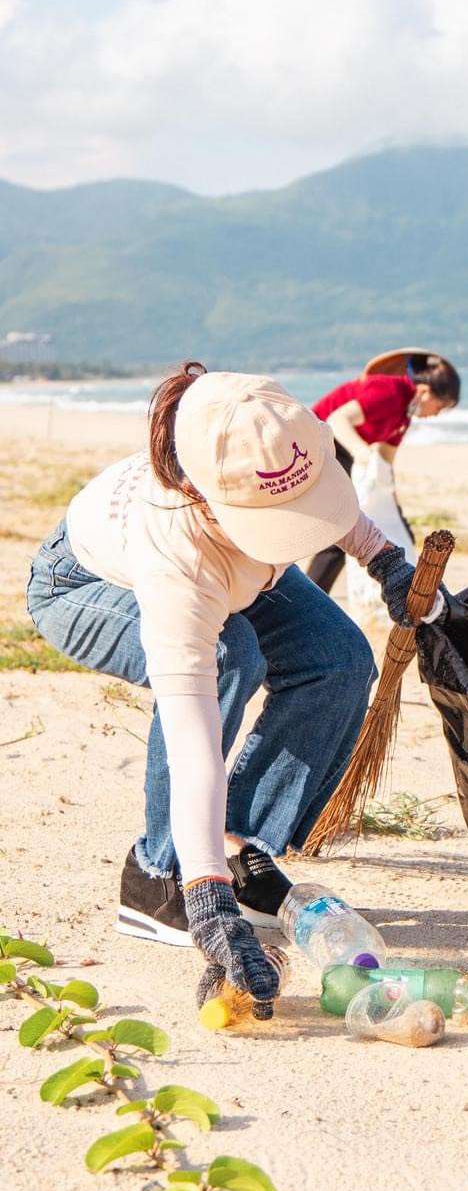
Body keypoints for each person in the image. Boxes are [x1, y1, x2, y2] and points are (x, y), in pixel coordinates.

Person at [26, 364, 438, 1018]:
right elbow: (193, 739)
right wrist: (206, 899)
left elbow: (326, 500)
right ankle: (160, 876)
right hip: (85, 586)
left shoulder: (253, 427)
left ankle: (237, 844)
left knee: (336, 661)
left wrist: (385, 558)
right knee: (228, 658)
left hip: (239, 567)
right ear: (202, 493)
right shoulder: (175, 552)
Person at [306, 350, 461, 596]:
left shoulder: (404, 415)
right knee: (343, 527)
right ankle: (310, 599)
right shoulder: (390, 391)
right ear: (424, 392)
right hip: (318, 444)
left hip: (342, 451)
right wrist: (364, 455)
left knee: (384, 528)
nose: (436, 414)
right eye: (440, 406)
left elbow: (386, 465)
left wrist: (396, 512)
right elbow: (337, 420)